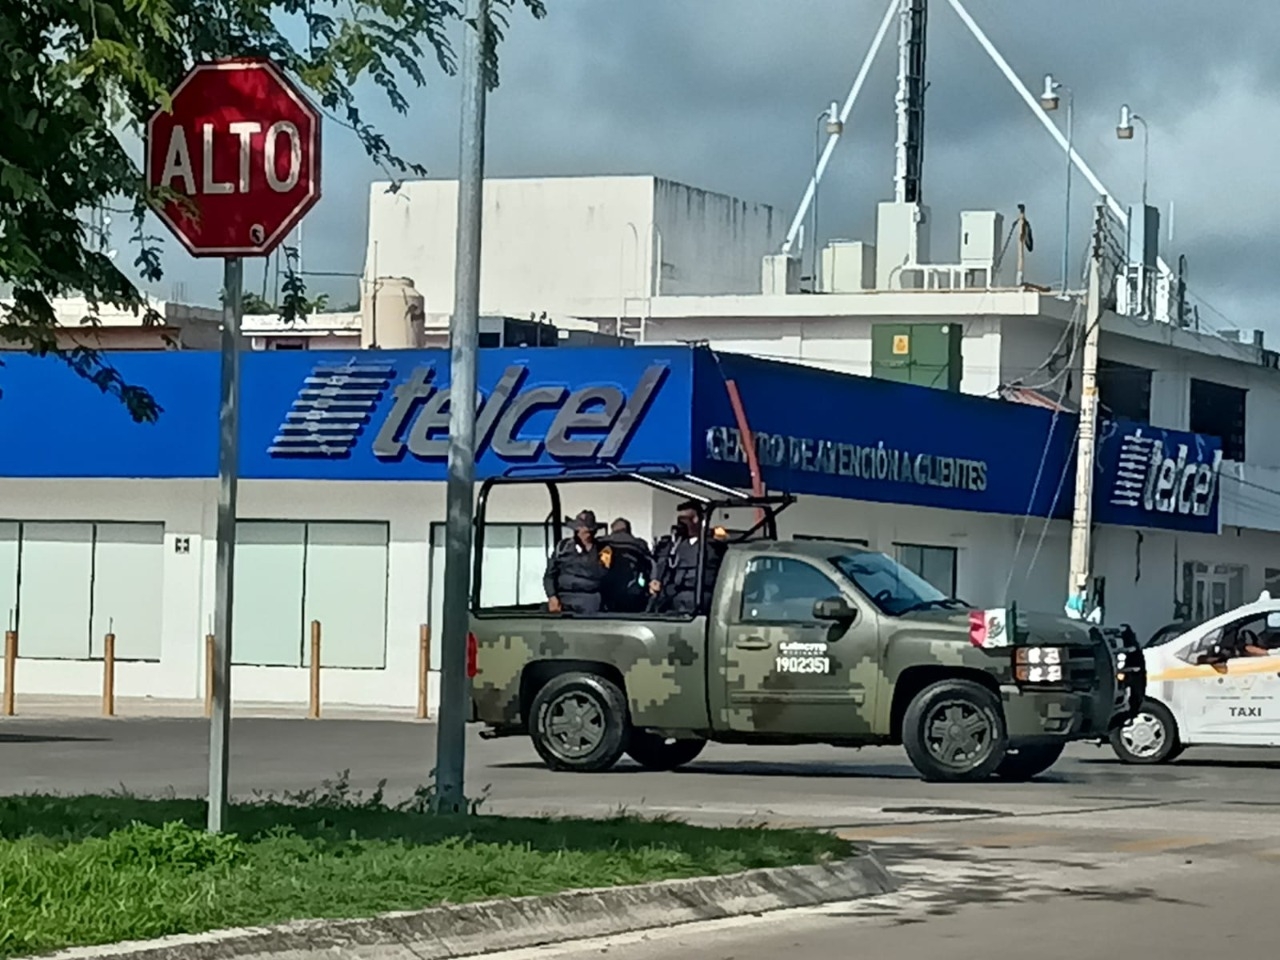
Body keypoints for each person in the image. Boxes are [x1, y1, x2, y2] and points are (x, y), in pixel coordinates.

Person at [650, 500, 726, 615]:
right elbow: (663, 565)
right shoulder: (674, 545)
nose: (680, 524)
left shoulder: (712, 546)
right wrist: (656, 580)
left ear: (695, 519)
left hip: (699, 600)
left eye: (683, 519)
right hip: (673, 601)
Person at [543, 510, 608, 615]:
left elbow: (602, 573)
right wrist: (552, 596)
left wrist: (590, 551)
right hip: (563, 599)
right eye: (579, 529)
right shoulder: (563, 547)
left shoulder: (604, 550)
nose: (582, 533)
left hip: (590, 601)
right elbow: (549, 575)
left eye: (586, 530)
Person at [600, 517, 653, 613]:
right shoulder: (639, 544)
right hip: (635, 593)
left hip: (609, 593)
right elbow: (650, 565)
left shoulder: (604, 543)